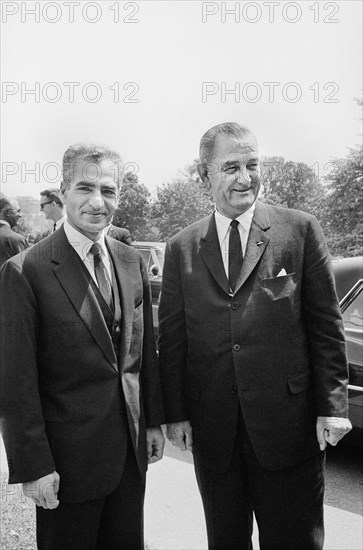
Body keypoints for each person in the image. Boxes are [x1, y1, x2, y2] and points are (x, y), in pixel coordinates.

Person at [158, 122, 352, 550]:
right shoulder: (181, 247)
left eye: (252, 164)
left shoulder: (300, 231)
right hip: (215, 436)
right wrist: (175, 414)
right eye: (231, 167)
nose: (245, 178)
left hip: (290, 430)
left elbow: (326, 326)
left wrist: (333, 406)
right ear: (204, 174)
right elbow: (172, 340)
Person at [0, 143, 165, 550]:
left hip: (129, 460)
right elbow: (15, 379)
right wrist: (34, 466)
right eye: (84, 188)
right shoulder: (25, 271)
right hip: (65, 468)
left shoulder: (131, 262)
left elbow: (142, 355)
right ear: (63, 190)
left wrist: (153, 422)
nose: (97, 202)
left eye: (108, 191)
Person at [0, 197, 28, 268]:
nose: (20, 215)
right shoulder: (17, 239)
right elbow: (27, 270)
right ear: (8, 213)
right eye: (18, 211)